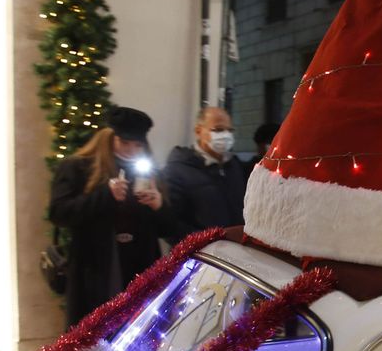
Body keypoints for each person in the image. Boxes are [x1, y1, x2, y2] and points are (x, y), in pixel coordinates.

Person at [48, 107, 176, 328]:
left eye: (138, 145)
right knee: (94, 342)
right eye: (125, 143)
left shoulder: (148, 172)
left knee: (138, 339)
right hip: (97, 271)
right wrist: (106, 196)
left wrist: (158, 206)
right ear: (109, 139)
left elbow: (167, 229)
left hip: (140, 270)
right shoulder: (78, 167)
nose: (131, 150)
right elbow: (59, 213)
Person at [161, 106, 247, 235]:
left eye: (229, 130)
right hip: (200, 252)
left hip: (236, 249)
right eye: (218, 129)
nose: (226, 135)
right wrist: (203, 242)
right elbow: (171, 224)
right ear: (198, 131)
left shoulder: (234, 165)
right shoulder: (177, 170)